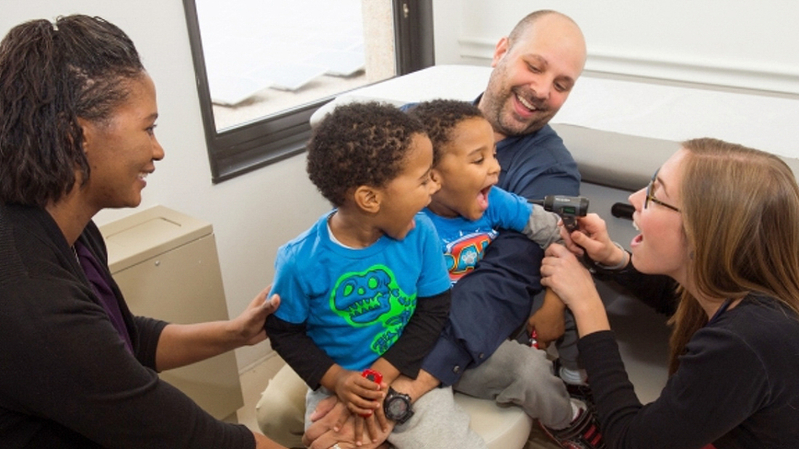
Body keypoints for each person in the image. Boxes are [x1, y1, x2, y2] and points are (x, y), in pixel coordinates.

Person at [261, 9, 595, 449]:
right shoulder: (412, 134)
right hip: (372, 328)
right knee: (277, 412)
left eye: (561, 84)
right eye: (534, 66)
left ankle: (570, 424)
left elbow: (501, 283)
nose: (541, 90)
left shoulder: (544, 171)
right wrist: (342, 377)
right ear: (501, 52)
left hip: (462, 330)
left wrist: (395, 382)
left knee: (519, 376)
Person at [0, 15, 286, 449]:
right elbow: (200, 441)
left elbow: (124, 338)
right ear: (75, 137)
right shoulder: (34, 305)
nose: (158, 150)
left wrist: (235, 333)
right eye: (148, 128)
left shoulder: (64, 225)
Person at [540, 138, 799, 448]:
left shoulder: (743, 344)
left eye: (655, 195)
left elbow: (630, 442)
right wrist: (615, 258)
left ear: (702, 232)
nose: (635, 199)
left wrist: (586, 305)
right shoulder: (755, 302)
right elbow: (677, 298)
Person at [264, 102, 457, 447]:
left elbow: (434, 310)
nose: (434, 186)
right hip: (339, 391)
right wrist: (338, 380)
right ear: (369, 198)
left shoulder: (421, 233)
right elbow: (284, 333)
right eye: (423, 178)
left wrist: (383, 373)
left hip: (406, 370)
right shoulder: (299, 262)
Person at [407, 98, 600, 441]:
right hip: (434, 341)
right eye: (479, 160)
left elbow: (551, 232)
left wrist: (556, 295)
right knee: (529, 371)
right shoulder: (407, 227)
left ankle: (573, 382)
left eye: (494, 155)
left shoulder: (493, 200)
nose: (495, 169)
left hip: (489, 317)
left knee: (571, 290)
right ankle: (567, 420)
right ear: (433, 177)